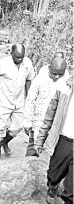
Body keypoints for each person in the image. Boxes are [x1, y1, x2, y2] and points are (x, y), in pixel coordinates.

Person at [0, 44, 35, 160]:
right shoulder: (2, 64)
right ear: (11, 53)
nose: (19, 59)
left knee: (18, 127)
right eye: (17, 57)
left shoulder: (27, 63)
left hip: (19, 101)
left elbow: (29, 80)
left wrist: (28, 98)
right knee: (0, 128)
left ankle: (4, 142)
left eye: (21, 57)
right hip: (3, 101)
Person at [34, 76, 73, 204]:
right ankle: (53, 186)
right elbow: (49, 116)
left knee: (72, 186)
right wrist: (40, 139)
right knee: (54, 173)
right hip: (63, 138)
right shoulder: (64, 87)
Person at [23, 57, 67, 156]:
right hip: (38, 121)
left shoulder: (66, 83)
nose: (56, 77)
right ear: (49, 68)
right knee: (32, 148)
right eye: (54, 74)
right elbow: (30, 101)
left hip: (55, 123)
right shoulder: (39, 80)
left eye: (60, 74)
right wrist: (27, 122)